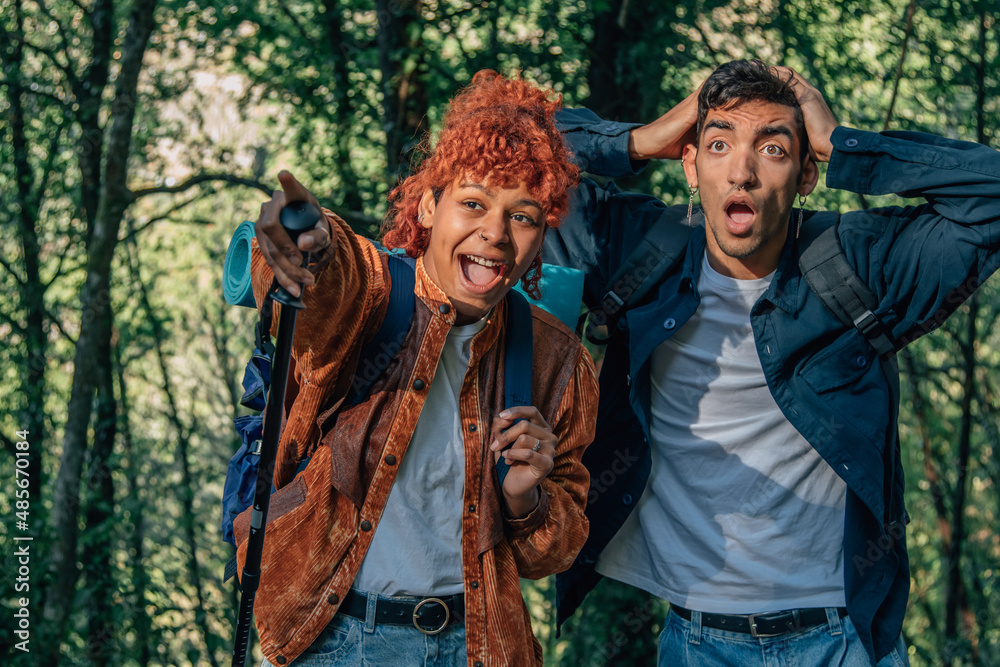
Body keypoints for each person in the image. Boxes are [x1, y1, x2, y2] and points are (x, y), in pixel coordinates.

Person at [546, 59, 1000, 666]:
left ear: (807, 173)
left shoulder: (855, 263)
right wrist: (642, 138)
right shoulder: (639, 254)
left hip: (844, 644)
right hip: (697, 643)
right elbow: (495, 151)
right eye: (717, 144)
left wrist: (845, 147)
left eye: (774, 149)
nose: (742, 171)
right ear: (690, 164)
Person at [238, 70, 598, 666]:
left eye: (523, 216)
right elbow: (333, 277)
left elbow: (552, 553)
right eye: (474, 203)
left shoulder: (557, 361)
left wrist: (525, 498)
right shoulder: (376, 299)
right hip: (339, 641)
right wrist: (306, 240)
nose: (495, 233)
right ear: (430, 205)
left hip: (478, 646)